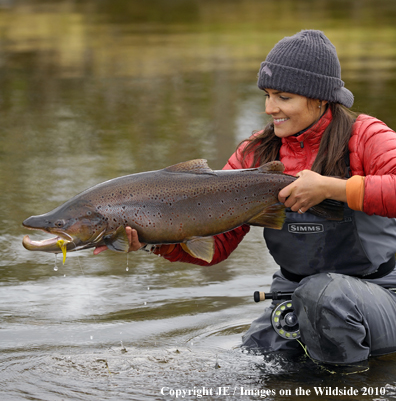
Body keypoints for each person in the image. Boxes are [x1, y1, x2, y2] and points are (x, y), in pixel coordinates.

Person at [95, 29, 396, 366]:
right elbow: (217, 245)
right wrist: (155, 241)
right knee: (249, 362)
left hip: (383, 297)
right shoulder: (255, 153)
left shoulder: (368, 136)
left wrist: (331, 189)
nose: (270, 108)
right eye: (267, 95)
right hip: (293, 299)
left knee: (324, 297)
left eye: (283, 97)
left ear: (321, 98)